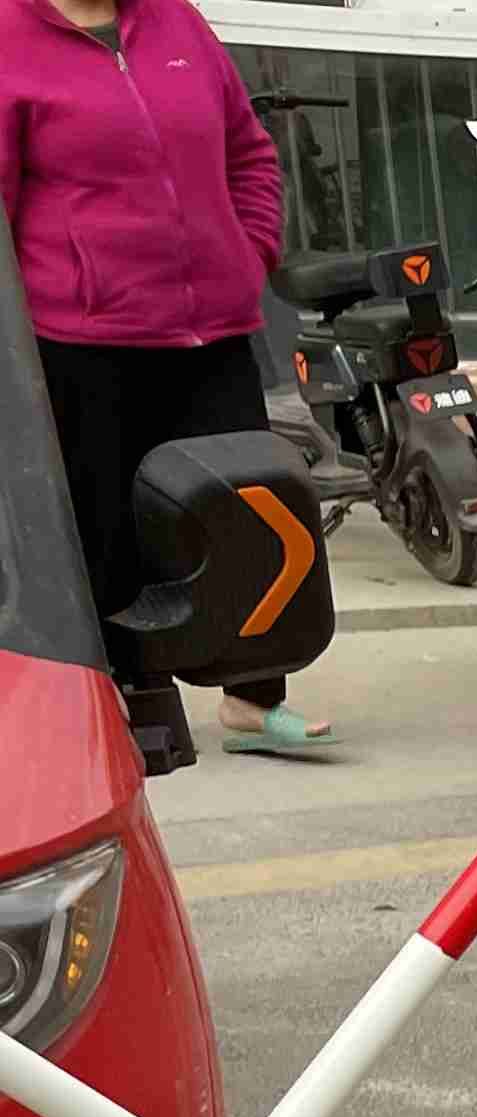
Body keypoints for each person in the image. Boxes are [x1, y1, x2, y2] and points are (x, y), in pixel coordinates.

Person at [0, 0, 333, 752]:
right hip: (82, 338)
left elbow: (248, 151)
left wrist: (250, 254)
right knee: (106, 533)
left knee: (249, 512)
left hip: (213, 327)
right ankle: (125, 701)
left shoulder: (176, 20)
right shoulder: (9, 37)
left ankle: (252, 699)